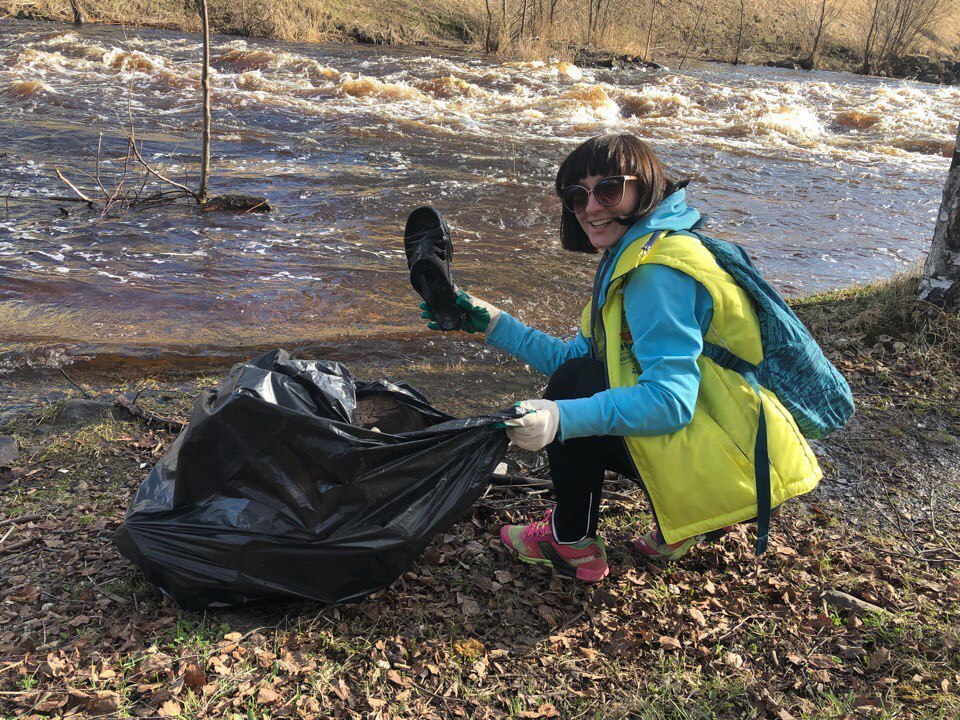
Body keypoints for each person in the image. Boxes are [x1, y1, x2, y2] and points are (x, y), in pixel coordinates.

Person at [419, 133, 822, 583]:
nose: (591, 208)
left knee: (573, 391)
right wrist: (492, 323)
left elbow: (670, 402)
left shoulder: (654, 273)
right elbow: (579, 357)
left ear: (644, 188)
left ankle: (570, 541)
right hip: (741, 447)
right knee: (579, 378)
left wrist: (559, 418)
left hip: (736, 464)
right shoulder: (641, 253)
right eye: (577, 196)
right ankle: (695, 517)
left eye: (609, 189)